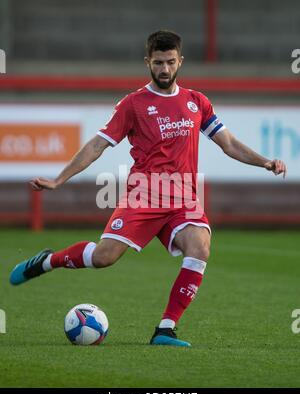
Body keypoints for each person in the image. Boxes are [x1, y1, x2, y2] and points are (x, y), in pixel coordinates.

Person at [9, 30, 287, 347]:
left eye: (170, 62)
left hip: (183, 196)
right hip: (144, 194)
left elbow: (229, 144)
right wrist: (59, 179)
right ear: (148, 62)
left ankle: (165, 330)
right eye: (158, 63)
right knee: (103, 258)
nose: (165, 69)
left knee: (200, 246)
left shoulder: (197, 102)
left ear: (180, 60)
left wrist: (265, 162)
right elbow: (98, 145)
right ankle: (48, 261)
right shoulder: (134, 104)